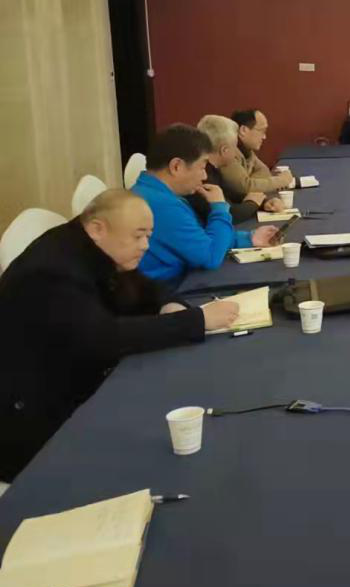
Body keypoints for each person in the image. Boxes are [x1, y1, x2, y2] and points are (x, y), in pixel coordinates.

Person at [0, 189, 238, 482]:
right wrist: (196, 320)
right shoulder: (52, 270)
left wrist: (168, 304)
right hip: (35, 422)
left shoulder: (93, 247)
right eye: (138, 236)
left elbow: (141, 286)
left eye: (148, 236)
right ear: (97, 228)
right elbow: (105, 338)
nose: (145, 246)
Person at [132, 124, 279, 284]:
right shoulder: (162, 205)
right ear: (176, 166)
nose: (204, 176)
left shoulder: (153, 192)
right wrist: (220, 208)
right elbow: (210, 257)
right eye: (202, 167)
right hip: (170, 289)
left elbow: (201, 238)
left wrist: (248, 238)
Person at [197, 114, 284, 223]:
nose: (236, 152)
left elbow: (233, 195)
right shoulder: (203, 175)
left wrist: (264, 202)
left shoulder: (214, 168)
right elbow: (229, 214)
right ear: (224, 150)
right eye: (235, 146)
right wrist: (253, 204)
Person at [218, 109, 292, 199]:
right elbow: (245, 188)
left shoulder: (247, 150)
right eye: (262, 131)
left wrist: (251, 181)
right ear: (243, 130)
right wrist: (282, 180)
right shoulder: (227, 152)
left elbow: (265, 171)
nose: (264, 137)